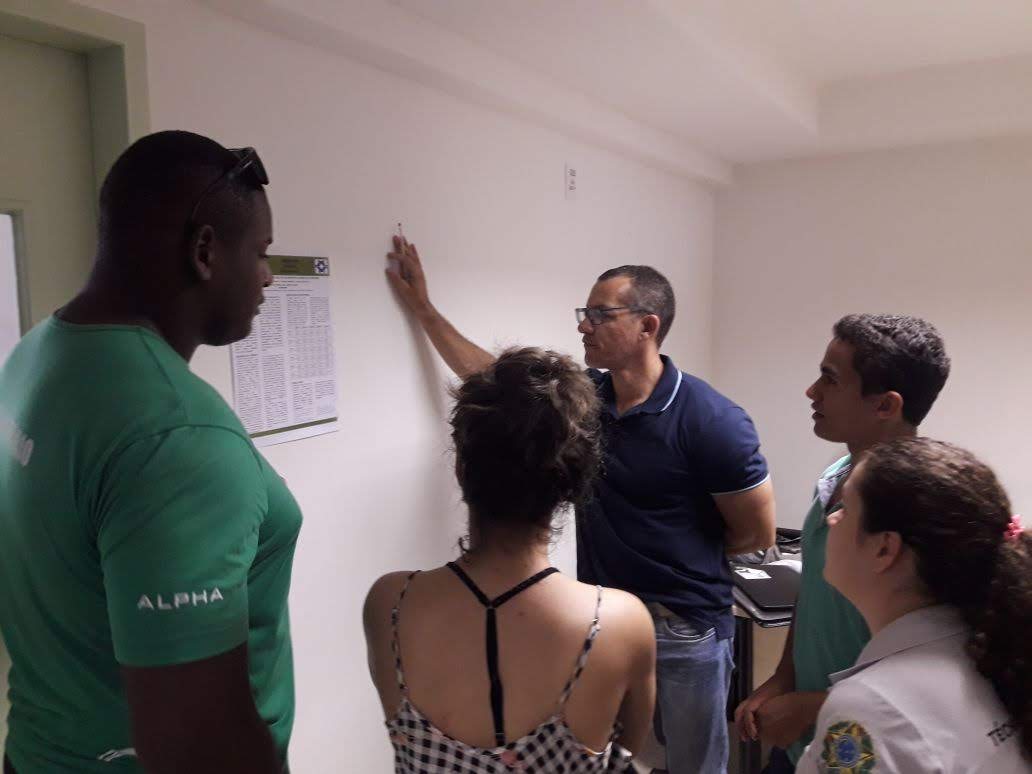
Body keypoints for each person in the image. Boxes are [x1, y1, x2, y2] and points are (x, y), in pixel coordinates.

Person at [385, 237, 776, 773]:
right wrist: (425, 310)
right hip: (602, 623)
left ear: (648, 326)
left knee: (694, 765)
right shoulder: (584, 402)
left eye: (600, 314)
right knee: (616, 758)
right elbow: (496, 382)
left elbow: (756, 534)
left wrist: (675, 555)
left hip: (684, 628)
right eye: (583, 313)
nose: (583, 326)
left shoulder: (713, 421)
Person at [0, 131, 301, 774]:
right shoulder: (179, 438)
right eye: (260, 252)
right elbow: (199, 747)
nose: (268, 275)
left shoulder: (35, 354)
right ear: (205, 251)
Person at [363, 347, 656, 772]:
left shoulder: (390, 602)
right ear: (574, 482)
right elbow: (627, 747)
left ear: (462, 468)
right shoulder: (620, 623)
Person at [734, 314, 950, 772]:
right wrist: (784, 677)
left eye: (830, 380)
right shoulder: (836, 479)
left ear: (885, 405)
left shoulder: (916, 512)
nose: (811, 391)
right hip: (804, 738)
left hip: (864, 745)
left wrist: (814, 705)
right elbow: (813, 589)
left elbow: (926, 666)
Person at [796, 437, 1031, 772]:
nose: (832, 519)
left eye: (845, 509)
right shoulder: (994, 654)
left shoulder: (869, 709)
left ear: (884, 549)